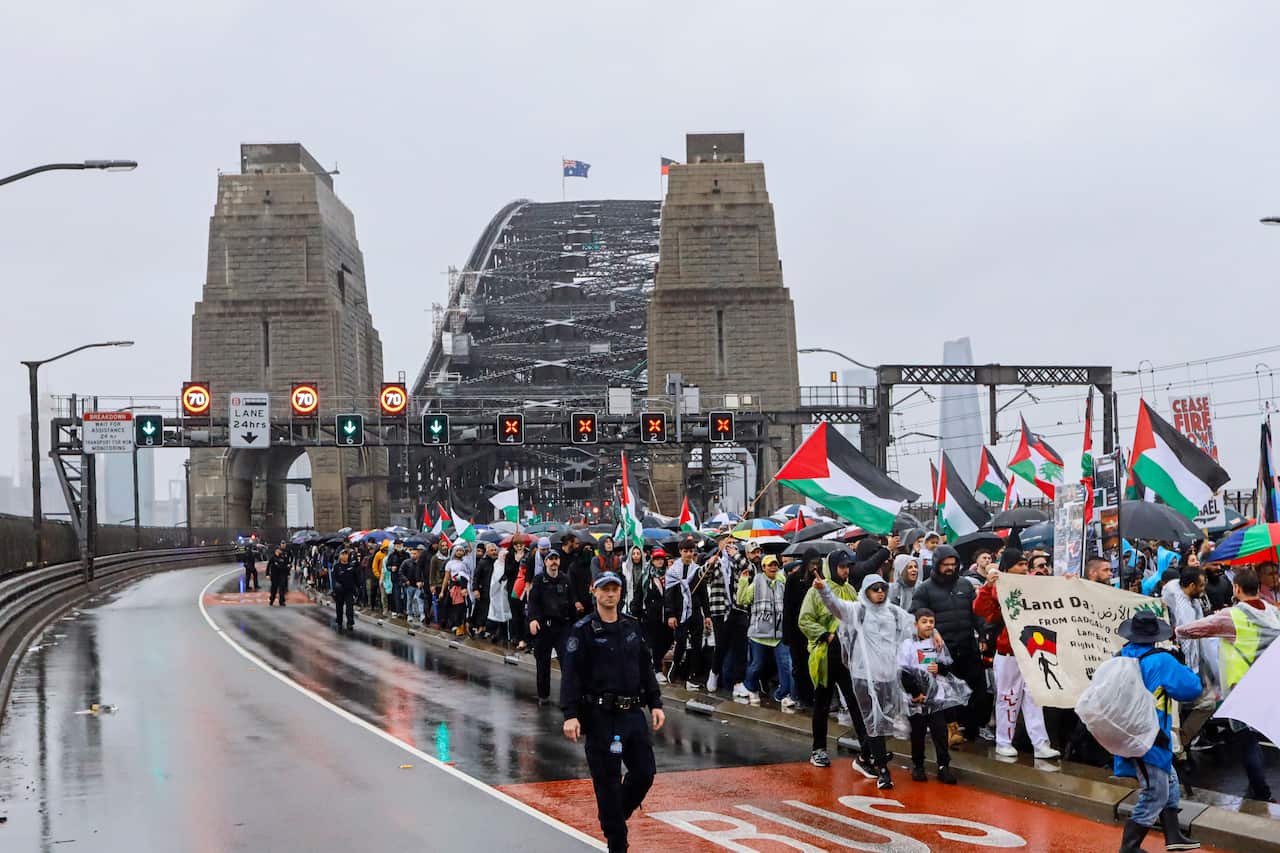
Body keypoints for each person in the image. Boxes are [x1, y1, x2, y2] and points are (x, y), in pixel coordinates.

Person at [560, 572, 665, 853]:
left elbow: (646, 666)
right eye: (605, 589)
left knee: (645, 772)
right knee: (607, 780)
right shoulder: (582, 630)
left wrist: (656, 702)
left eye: (615, 589)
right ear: (594, 591)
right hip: (601, 717)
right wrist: (570, 714)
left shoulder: (631, 626)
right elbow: (571, 676)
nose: (610, 594)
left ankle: (614, 815)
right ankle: (617, 840)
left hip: (633, 714)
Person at [1175, 566, 1280, 802]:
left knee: (1248, 742)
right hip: (1271, 684)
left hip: (1242, 688)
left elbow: (1194, 630)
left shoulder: (1232, 616)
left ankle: (1261, 792)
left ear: (1237, 588)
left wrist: (1173, 630)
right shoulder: (1274, 612)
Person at [814, 572, 916, 790]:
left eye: (883, 589)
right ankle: (882, 770)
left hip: (887, 678)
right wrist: (824, 590)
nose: (880, 593)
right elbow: (836, 606)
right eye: (875, 589)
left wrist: (933, 633)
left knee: (885, 722)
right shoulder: (858, 611)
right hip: (864, 678)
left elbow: (915, 626)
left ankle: (864, 758)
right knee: (874, 722)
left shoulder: (893, 613)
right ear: (866, 591)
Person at [1112, 611, 1203, 853]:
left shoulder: (1120, 656)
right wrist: (1178, 662)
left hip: (1127, 731)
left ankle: (1173, 834)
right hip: (1150, 736)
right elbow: (1191, 688)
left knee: (1169, 778)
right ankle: (1129, 848)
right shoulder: (1161, 660)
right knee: (1156, 792)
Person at [973, 548, 1061, 760]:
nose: (1023, 568)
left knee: (1034, 697)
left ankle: (1040, 744)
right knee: (1007, 697)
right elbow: (981, 610)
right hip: (1008, 652)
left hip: (1034, 651)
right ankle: (1003, 741)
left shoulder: (1035, 584)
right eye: (1019, 565)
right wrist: (989, 585)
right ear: (1008, 567)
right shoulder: (998, 587)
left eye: (1025, 564)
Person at [910, 544, 986, 745]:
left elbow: (976, 613)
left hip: (968, 645)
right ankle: (949, 730)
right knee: (947, 692)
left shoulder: (965, 585)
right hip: (942, 650)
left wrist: (984, 635)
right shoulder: (924, 589)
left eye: (953, 564)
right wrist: (932, 632)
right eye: (946, 565)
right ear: (937, 565)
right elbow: (916, 615)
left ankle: (972, 728)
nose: (950, 568)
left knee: (977, 689)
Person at [798, 550, 866, 768]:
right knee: (823, 704)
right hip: (825, 655)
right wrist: (826, 635)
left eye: (848, 567)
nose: (846, 571)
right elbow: (805, 619)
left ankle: (867, 749)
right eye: (842, 566)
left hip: (848, 656)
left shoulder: (850, 589)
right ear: (833, 566)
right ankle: (818, 749)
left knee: (855, 702)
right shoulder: (816, 590)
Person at [898, 608, 959, 784]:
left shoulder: (937, 643)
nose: (928, 625)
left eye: (931, 622)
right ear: (915, 624)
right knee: (917, 734)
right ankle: (918, 765)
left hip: (935, 697)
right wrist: (915, 693)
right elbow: (903, 672)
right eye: (924, 621)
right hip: (917, 699)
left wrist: (940, 668)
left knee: (940, 732)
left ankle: (943, 766)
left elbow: (947, 666)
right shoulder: (908, 645)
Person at [736, 553, 798, 710]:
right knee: (757, 664)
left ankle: (783, 694)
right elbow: (742, 600)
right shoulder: (757, 581)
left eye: (775, 564)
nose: (773, 567)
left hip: (779, 634)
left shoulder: (782, 581)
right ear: (763, 568)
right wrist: (743, 581)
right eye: (769, 565)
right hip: (759, 634)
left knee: (787, 666)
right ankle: (748, 686)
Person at [527, 548, 576, 705]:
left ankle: (567, 697)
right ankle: (543, 695)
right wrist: (533, 620)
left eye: (556, 558)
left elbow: (571, 602)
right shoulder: (539, 580)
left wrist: (575, 626)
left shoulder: (565, 579)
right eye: (551, 559)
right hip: (544, 626)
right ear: (546, 562)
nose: (554, 561)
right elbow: (533, 602)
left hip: (562, 626)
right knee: (543, 662)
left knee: (567, 663)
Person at [664, 539, 710, 690]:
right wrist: (670, 614)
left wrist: (707, 614)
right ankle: (675, 667)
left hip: (695, 611)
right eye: (686, 551)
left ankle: (693, 675)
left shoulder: (697, 570)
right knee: (681, 643)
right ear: (680, 552)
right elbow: (669, 594)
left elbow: (703, 593)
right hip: (680, 612)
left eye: (691, 551)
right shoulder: (673, 572)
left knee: (697, 644)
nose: (689, 554)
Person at [637, 548, 673, 684]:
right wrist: (637, 612)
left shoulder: (670, 575)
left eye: (661, 559)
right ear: (652, 561)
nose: (659, 561)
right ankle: (657, 669)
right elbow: (639, 594)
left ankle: (655, 661)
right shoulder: (647, 576)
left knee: (668, 639)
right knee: (655, 643)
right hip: (651, 616)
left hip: (668, 615)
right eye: (656, 559)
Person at [331, 548, 359, 631]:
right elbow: (333, 579)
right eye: (343, 554)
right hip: (339, 591)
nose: (344, 556)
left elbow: (356, 578)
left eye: (346, 554)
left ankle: (350, 623)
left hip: (349, 590)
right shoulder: (336, 567)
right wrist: (334, 589)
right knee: (339, 607)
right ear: (340, 556)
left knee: (349, 608)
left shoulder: (351, 566)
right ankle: (339, 621)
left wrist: (358, 587)